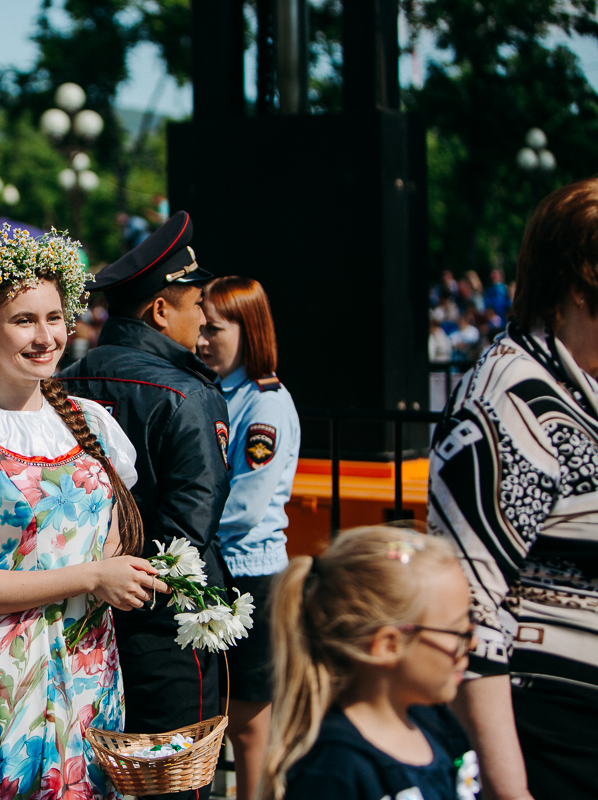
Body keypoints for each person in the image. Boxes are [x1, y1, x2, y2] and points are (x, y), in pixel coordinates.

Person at [0, 226, 165, 800]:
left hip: (91, 658)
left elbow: (108, 540)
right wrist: (92, 577)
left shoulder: (90, 421)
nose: (46, 336)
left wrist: (122, 573)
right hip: (11, 668)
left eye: (55, 318)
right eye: (24, 320)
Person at [427, 177, 598, 799]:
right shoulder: (512, 399)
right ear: (582, 280)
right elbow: (471, 605)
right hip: (549, 737)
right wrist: (510, 787)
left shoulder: (578, 387)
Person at [59, 210, 230, 800]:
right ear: (160, 310)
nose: (206, 317)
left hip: (82, 616)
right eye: (197, 302)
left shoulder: (66, 382)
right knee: (174, 785)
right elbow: (191, 527)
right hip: (166, 626)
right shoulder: (187, 394)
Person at [261, 527, 479, 800]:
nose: (473, 644)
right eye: (460, 632)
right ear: (389, 645)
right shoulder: (332, 771)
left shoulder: (439, 725)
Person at [194, 276, 299, 800]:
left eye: (215, 329)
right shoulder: (215, 392)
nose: (202, 339)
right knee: (216, 720)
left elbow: (245, 506)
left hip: (249, 575)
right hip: (217, 570)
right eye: (201, 327)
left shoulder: (265, 405)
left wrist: (182, 530)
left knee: (251, 727)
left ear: (249, 330)